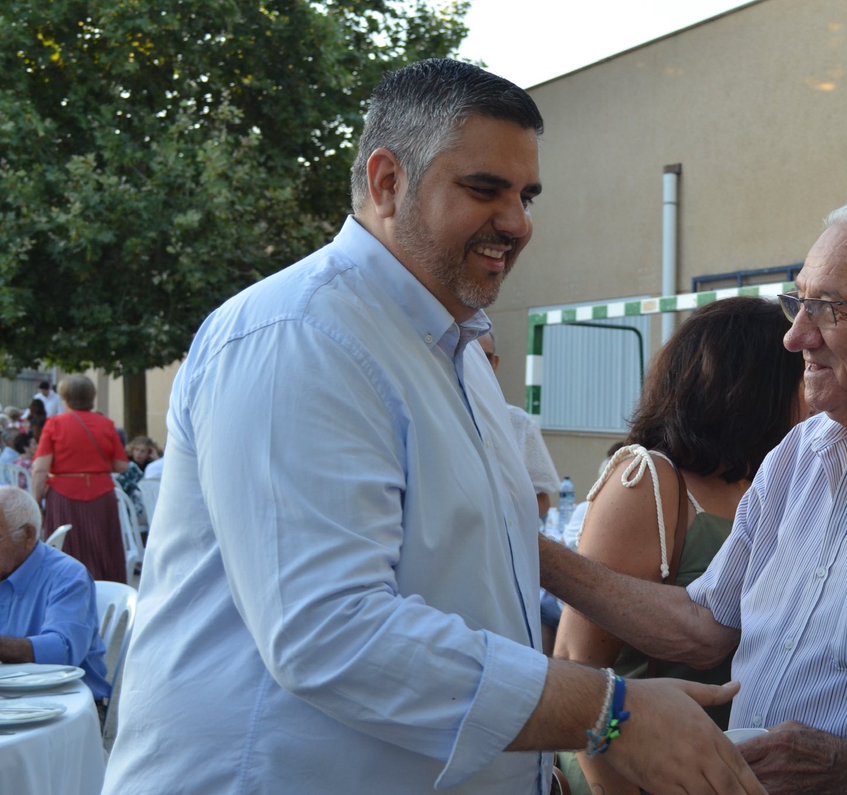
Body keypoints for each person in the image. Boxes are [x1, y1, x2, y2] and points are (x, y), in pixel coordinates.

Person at [102, 59, 763, 795]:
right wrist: (608, 713)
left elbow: (467, 577)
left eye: (526, 196)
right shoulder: (300, 335)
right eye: (485, 189)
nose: (517, 223)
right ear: (388, 181)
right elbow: (330, 632)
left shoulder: (455, 351)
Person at [541, 196, 847, 795]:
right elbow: (706, 624)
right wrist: (531, 551)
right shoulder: (800, 451)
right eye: (797, 303)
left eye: (829, 308)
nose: (795, 336)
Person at [556, 295, 808, 795]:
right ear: (757, 387)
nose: (814, 395)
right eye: (801, 378)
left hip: (725, 768)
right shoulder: (649, 482)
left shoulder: (775, 482)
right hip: (633, 770)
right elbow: (577, 660)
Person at [0, 486, 110, 702]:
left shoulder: (67, 576)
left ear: (28, 535)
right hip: (9, 698)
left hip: (66, 702)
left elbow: (63, 650)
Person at [31, 375, 129, 583]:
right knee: (104, 550)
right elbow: (122, 465)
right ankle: (107, 592)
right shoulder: (106, 424)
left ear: (65, 397)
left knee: (67, 551)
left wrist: (36, 500)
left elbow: (40, 469)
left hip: (64, 495)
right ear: (91, 397)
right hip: (102, 495)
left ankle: (69, 593)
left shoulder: (55, 424)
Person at [478, 332, 559, 521]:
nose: (478, 364)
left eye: (485, 357)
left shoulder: (519, 422)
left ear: (495, 363)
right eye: (470, 356)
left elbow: (542, 500)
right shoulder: (431, 414)